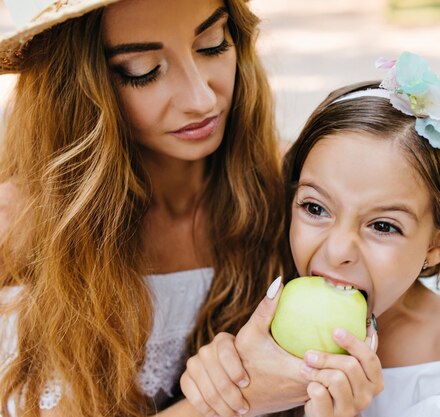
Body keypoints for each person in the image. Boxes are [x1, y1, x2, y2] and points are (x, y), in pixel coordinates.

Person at [0, 0, 308, 416]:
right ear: (74, 88)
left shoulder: (297, 192)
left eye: (213, 44)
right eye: (142, 70)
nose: (201, 99)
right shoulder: (17, 227)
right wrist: (238, 399)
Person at [183, 51, 440, 417]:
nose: (337, 251)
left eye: (383, 226)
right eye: (315, 208)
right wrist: (227, 392)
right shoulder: (260, 310)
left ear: (439, 243)